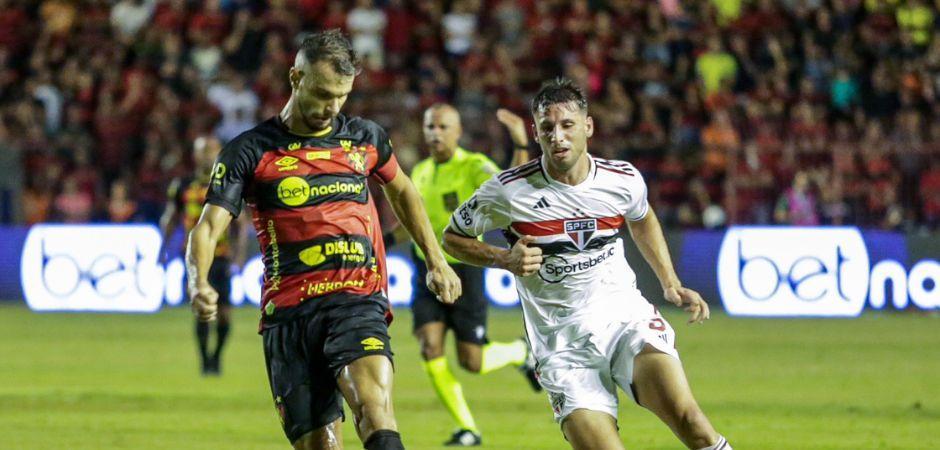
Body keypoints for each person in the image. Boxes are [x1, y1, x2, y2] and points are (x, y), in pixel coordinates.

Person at [186, 30, 461, 450]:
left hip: (355, 300)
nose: (331, 107)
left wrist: (436, 259)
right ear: (295, 78)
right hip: (289, 316)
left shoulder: (365, 138)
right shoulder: (250, 151)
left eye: (342, 96)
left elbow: (403, 190)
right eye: (323, 93)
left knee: (373, 407)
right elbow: (207, 226)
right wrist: (198, 279)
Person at [441, 78, 732, 450]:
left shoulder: (622, 179)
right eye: (547, 128)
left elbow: (641, 218)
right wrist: (503, 258)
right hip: (562, 346)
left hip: (626, 320)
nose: (558, 137)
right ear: (536, 132)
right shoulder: (507, 190)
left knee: (692, 422)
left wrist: (669, 281)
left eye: (567, 126)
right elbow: (452, 237)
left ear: (588, 127)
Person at [409, 103, 537, 446]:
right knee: (429, 345)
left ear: (458, 132)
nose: (435, 132)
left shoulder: (473, 165)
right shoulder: (419, 171)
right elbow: (406, 221)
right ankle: (468, 427)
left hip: (466, 269)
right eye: (429, 126)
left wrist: (521, 145)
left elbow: (508, 187)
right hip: (427, 270)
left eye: (442, 126)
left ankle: (519, 353)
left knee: (472, 361)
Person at [160, 135, 243, 376]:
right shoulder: (182, 184)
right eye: (203, 150)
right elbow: (171, 217)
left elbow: (239, 223)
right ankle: (205, 359)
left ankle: (217, 355)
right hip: (195, 257)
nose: (207, 155)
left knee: (225, 314)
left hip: (222, 256)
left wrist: (238, 255)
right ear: (195, 155)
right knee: (202, 310)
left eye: (211, 150)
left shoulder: (229, 182)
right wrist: (162, 248)